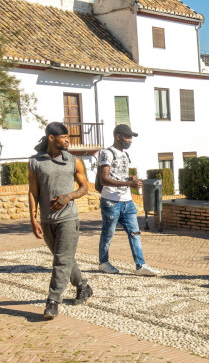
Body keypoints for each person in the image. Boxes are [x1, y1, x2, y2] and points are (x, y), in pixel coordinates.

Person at [28, 122, 93, 319]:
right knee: (63, 258)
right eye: (64, 137)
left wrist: (68, 197)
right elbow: (33, 192)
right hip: (47, 220)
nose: (67, 140)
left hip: (68, 218)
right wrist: (32, 218)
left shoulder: (74, 161)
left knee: (60, 261)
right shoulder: (35, 162)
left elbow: (84, 188)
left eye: (68, 137)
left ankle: (53, 301)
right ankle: (83, 286)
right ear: (51, 138)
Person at [97, 124, 159, 276]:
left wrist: (131, 179)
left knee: (135, 233)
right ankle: (103, 263)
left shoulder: (124, 154)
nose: (130, 140)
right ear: (118, 136)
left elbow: (118, 175)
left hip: (127, 201)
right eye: (127, 137)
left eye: (131, 137)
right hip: (111, 201)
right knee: (108, 233)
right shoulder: (107, 153)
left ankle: (140, 265)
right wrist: (128, 183)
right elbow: (104, 179)